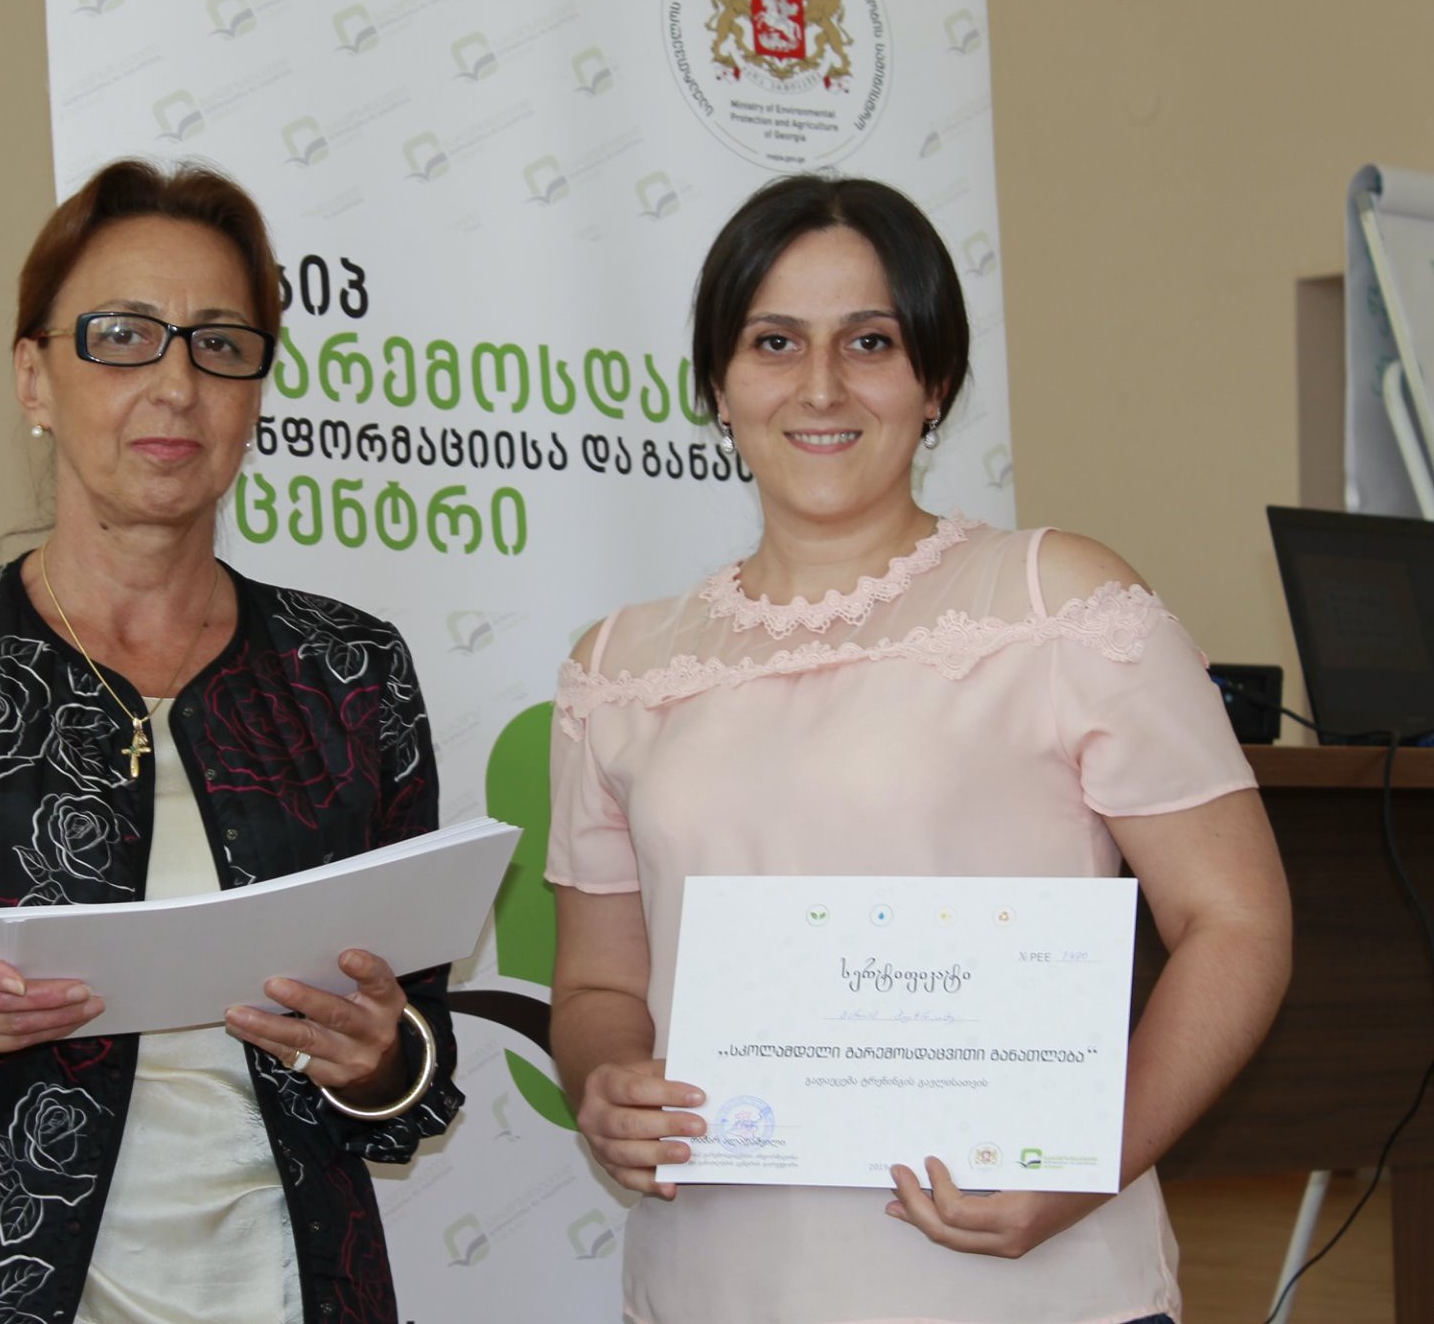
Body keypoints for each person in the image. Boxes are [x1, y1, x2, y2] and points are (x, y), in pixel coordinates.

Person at [545, 174, 1292, 1324]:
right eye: (773, 342)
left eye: (871, 342)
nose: (820, 386)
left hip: (1031, 1287)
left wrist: (1087, 1161)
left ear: (933, 380)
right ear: (716, 383)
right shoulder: (619, 664)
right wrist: (604, 1083)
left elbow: (1233, 922)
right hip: (716, 1282)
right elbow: (599, 983)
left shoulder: (1055, 598)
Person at [0, 159, 461, 1324]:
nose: (175, 385)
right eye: (122, 337)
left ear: (255, 393)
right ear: (34, 376)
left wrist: (379, 1058)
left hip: (291, 1288)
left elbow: (416, 1064)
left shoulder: (347, 672)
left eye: (219, 344)